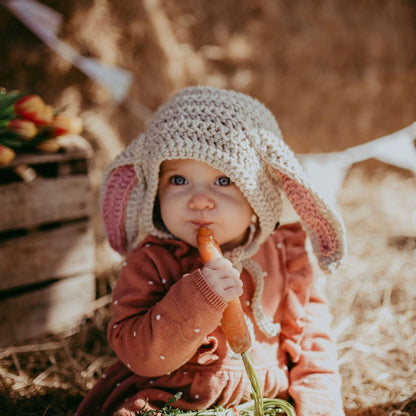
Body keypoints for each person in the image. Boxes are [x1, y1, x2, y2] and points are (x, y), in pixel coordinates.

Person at [76, 86, 347, 416]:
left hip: (263, 402)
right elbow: (140, 355)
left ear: (259, 193)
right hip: (168, 399)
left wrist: (320, 407)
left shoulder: (284, 251)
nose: (199, 200)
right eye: (178, 180)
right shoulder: (152, 259)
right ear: (155, 192)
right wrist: (199, 297)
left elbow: (312, 341)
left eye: (223, 181)